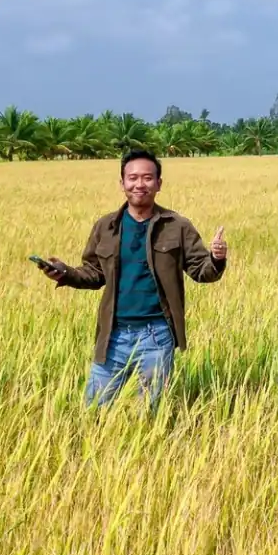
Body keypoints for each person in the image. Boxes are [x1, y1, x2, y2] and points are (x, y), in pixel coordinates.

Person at [36, 149, 228, 408]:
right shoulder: (106, 226)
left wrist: (216, 258)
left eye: (148, 178)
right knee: (94, 409)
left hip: (156, 335)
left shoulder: (177, 226)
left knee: (146, 415)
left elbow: (200, 271)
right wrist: (65, 273)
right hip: (112, 335)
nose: (140, 184)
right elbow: (94, 273)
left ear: (159, 183)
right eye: (133, 178)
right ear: (122, 183)